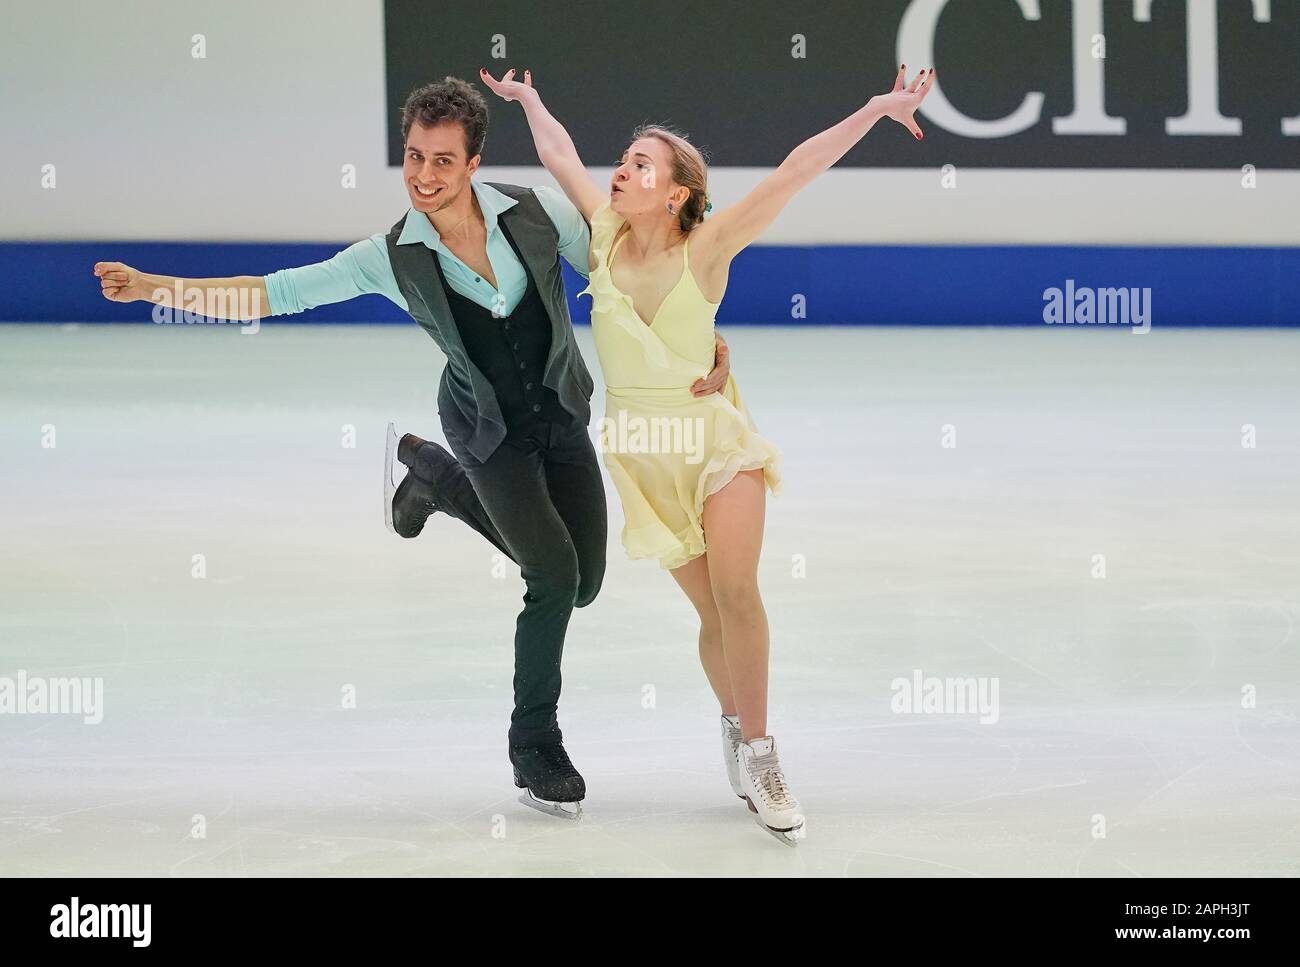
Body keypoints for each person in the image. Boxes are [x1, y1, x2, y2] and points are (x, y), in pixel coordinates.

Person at [91, 76, 733, 821]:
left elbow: (638, 284)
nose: (424, 176)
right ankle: (535, 744)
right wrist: (154, 288)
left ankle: (435, 479)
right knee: (552, 575)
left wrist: (708, 342)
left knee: (584, 582)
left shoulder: (535, 214)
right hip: (485, 431)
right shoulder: (392, 255)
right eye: (413, 157)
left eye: (442, 160)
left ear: (472, 162)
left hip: (558, 412)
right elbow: (276, 291)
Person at [480, 63, 934, 844]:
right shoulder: (604, 235)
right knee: (709, 613)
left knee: (737, 590)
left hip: (714, 439)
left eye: (641, 165)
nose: (621, 171)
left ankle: (761, 755)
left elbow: (796, 171)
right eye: (624, 160)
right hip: (644, 454)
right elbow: (558, 155)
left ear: (678, 193)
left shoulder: (710, 248)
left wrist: (874, 108)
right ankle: (734, 722)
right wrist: (529, 100)